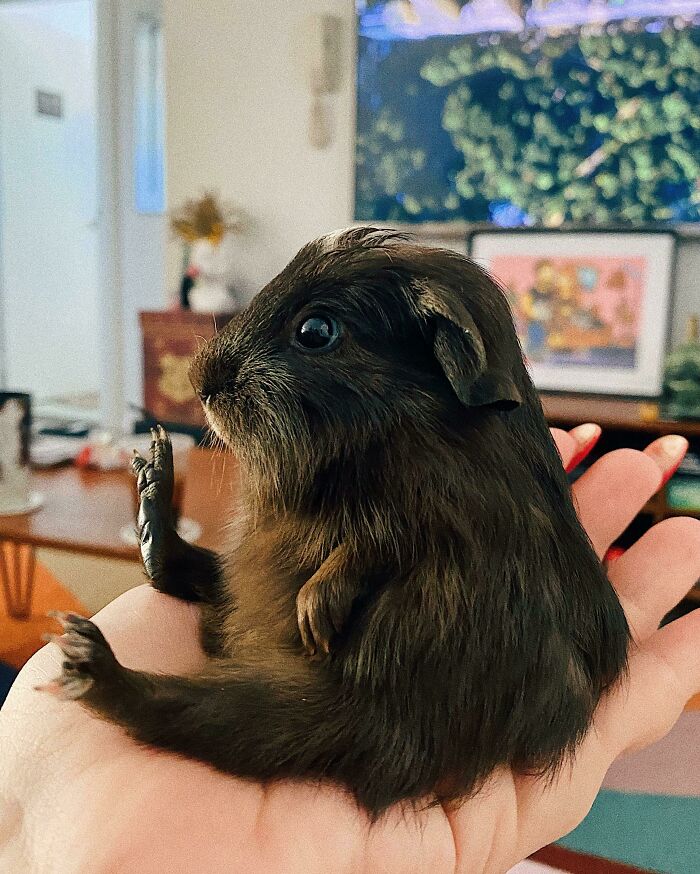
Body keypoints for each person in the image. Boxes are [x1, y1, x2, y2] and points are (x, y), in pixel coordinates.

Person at [1, 427, 698, 874]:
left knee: (297, 713)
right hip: (342, 648)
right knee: (267, 602)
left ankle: (134, 691)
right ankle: (172, 580)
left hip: (397, 692)